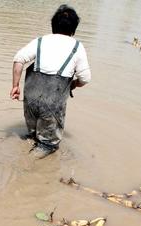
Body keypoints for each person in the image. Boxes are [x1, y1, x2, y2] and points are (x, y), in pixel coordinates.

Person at [11, 5, 91, 158]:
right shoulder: (77, 47)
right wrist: (73, 84)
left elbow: (18, 59)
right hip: (52, 104)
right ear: (73, 30)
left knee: (32, 134)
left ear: (53, 26)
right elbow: (85, 78)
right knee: (48, 144)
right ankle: (30, 163)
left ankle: (29, 145)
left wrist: (15, 86)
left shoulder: (40, 41)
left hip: (31, 99)